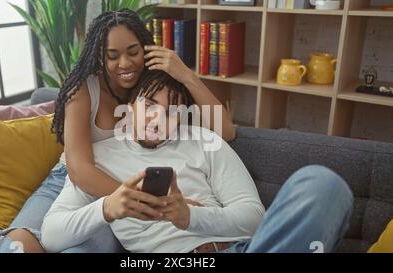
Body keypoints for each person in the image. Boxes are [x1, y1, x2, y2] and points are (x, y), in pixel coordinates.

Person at [0, 9, 236, 253]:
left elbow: (225, 132)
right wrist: (145, 201)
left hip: (119, 193)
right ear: (100, 57)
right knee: (18, 244)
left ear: (146, 49)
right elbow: (79, 170)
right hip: (72, 181)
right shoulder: (83, 88)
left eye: (133, 52)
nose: (125, 63)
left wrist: (186, 75)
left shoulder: (156, 85)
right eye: (112, 56)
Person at [40, 70, 354, 253]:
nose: (157, 118)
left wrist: (189, 217)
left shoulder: (204, 141)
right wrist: (108, 207)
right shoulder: (101, 159)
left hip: (245, 248)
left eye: (172, 111)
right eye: (149, 104)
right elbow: (51, 234)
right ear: (129, 106)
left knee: (323, 183)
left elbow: (255, 218)